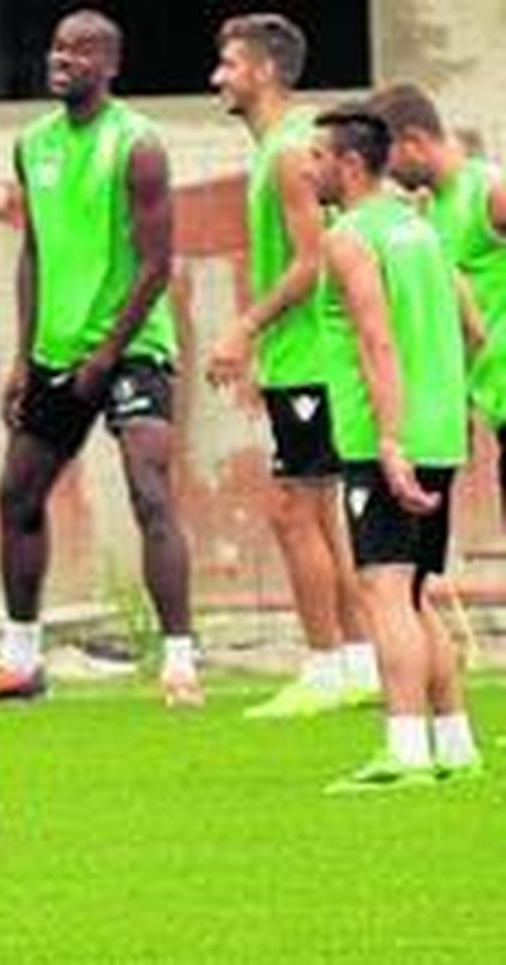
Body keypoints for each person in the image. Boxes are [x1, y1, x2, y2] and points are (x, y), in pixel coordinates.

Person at [0, 9, 201, 707]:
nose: (61, 58)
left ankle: (181, 659)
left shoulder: (138, 145)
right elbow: (34, 250)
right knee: (17, 495)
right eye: (58, 47)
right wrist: (20, 356)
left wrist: (108, 352)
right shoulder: (31, 143)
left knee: (148, 488)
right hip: (56, 351)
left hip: (132, 347)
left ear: (111, 64)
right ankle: (20, 658)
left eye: (80, 50)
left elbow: (158, 264)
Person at [203, 14, 379, 717]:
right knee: (315, 513)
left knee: (292, 510)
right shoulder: (279, 146)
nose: (218, 76)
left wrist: (243, 328)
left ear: (266, 71)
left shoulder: (289, 152)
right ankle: (360, 659)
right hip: (301, 359)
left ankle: (325, 665)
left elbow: (314, 262)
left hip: (313, 359)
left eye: (230, 64)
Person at [306, 103, 483, 792]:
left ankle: (405, 751)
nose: (307, 165)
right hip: (437, 428)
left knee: (382, 588)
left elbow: (376, 339)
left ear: (350, 164)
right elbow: (472, 328)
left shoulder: (350, 237)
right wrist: (439, 404)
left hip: (386, 440)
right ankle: (454, 742)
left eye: (317, 156)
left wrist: (387, 437)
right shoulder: (421, 228)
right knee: (414, 591)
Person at [372, 83, 506, 518]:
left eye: (385, 156)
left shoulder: (490, 192)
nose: (383, 172)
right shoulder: (426, 211)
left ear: (412, 142)